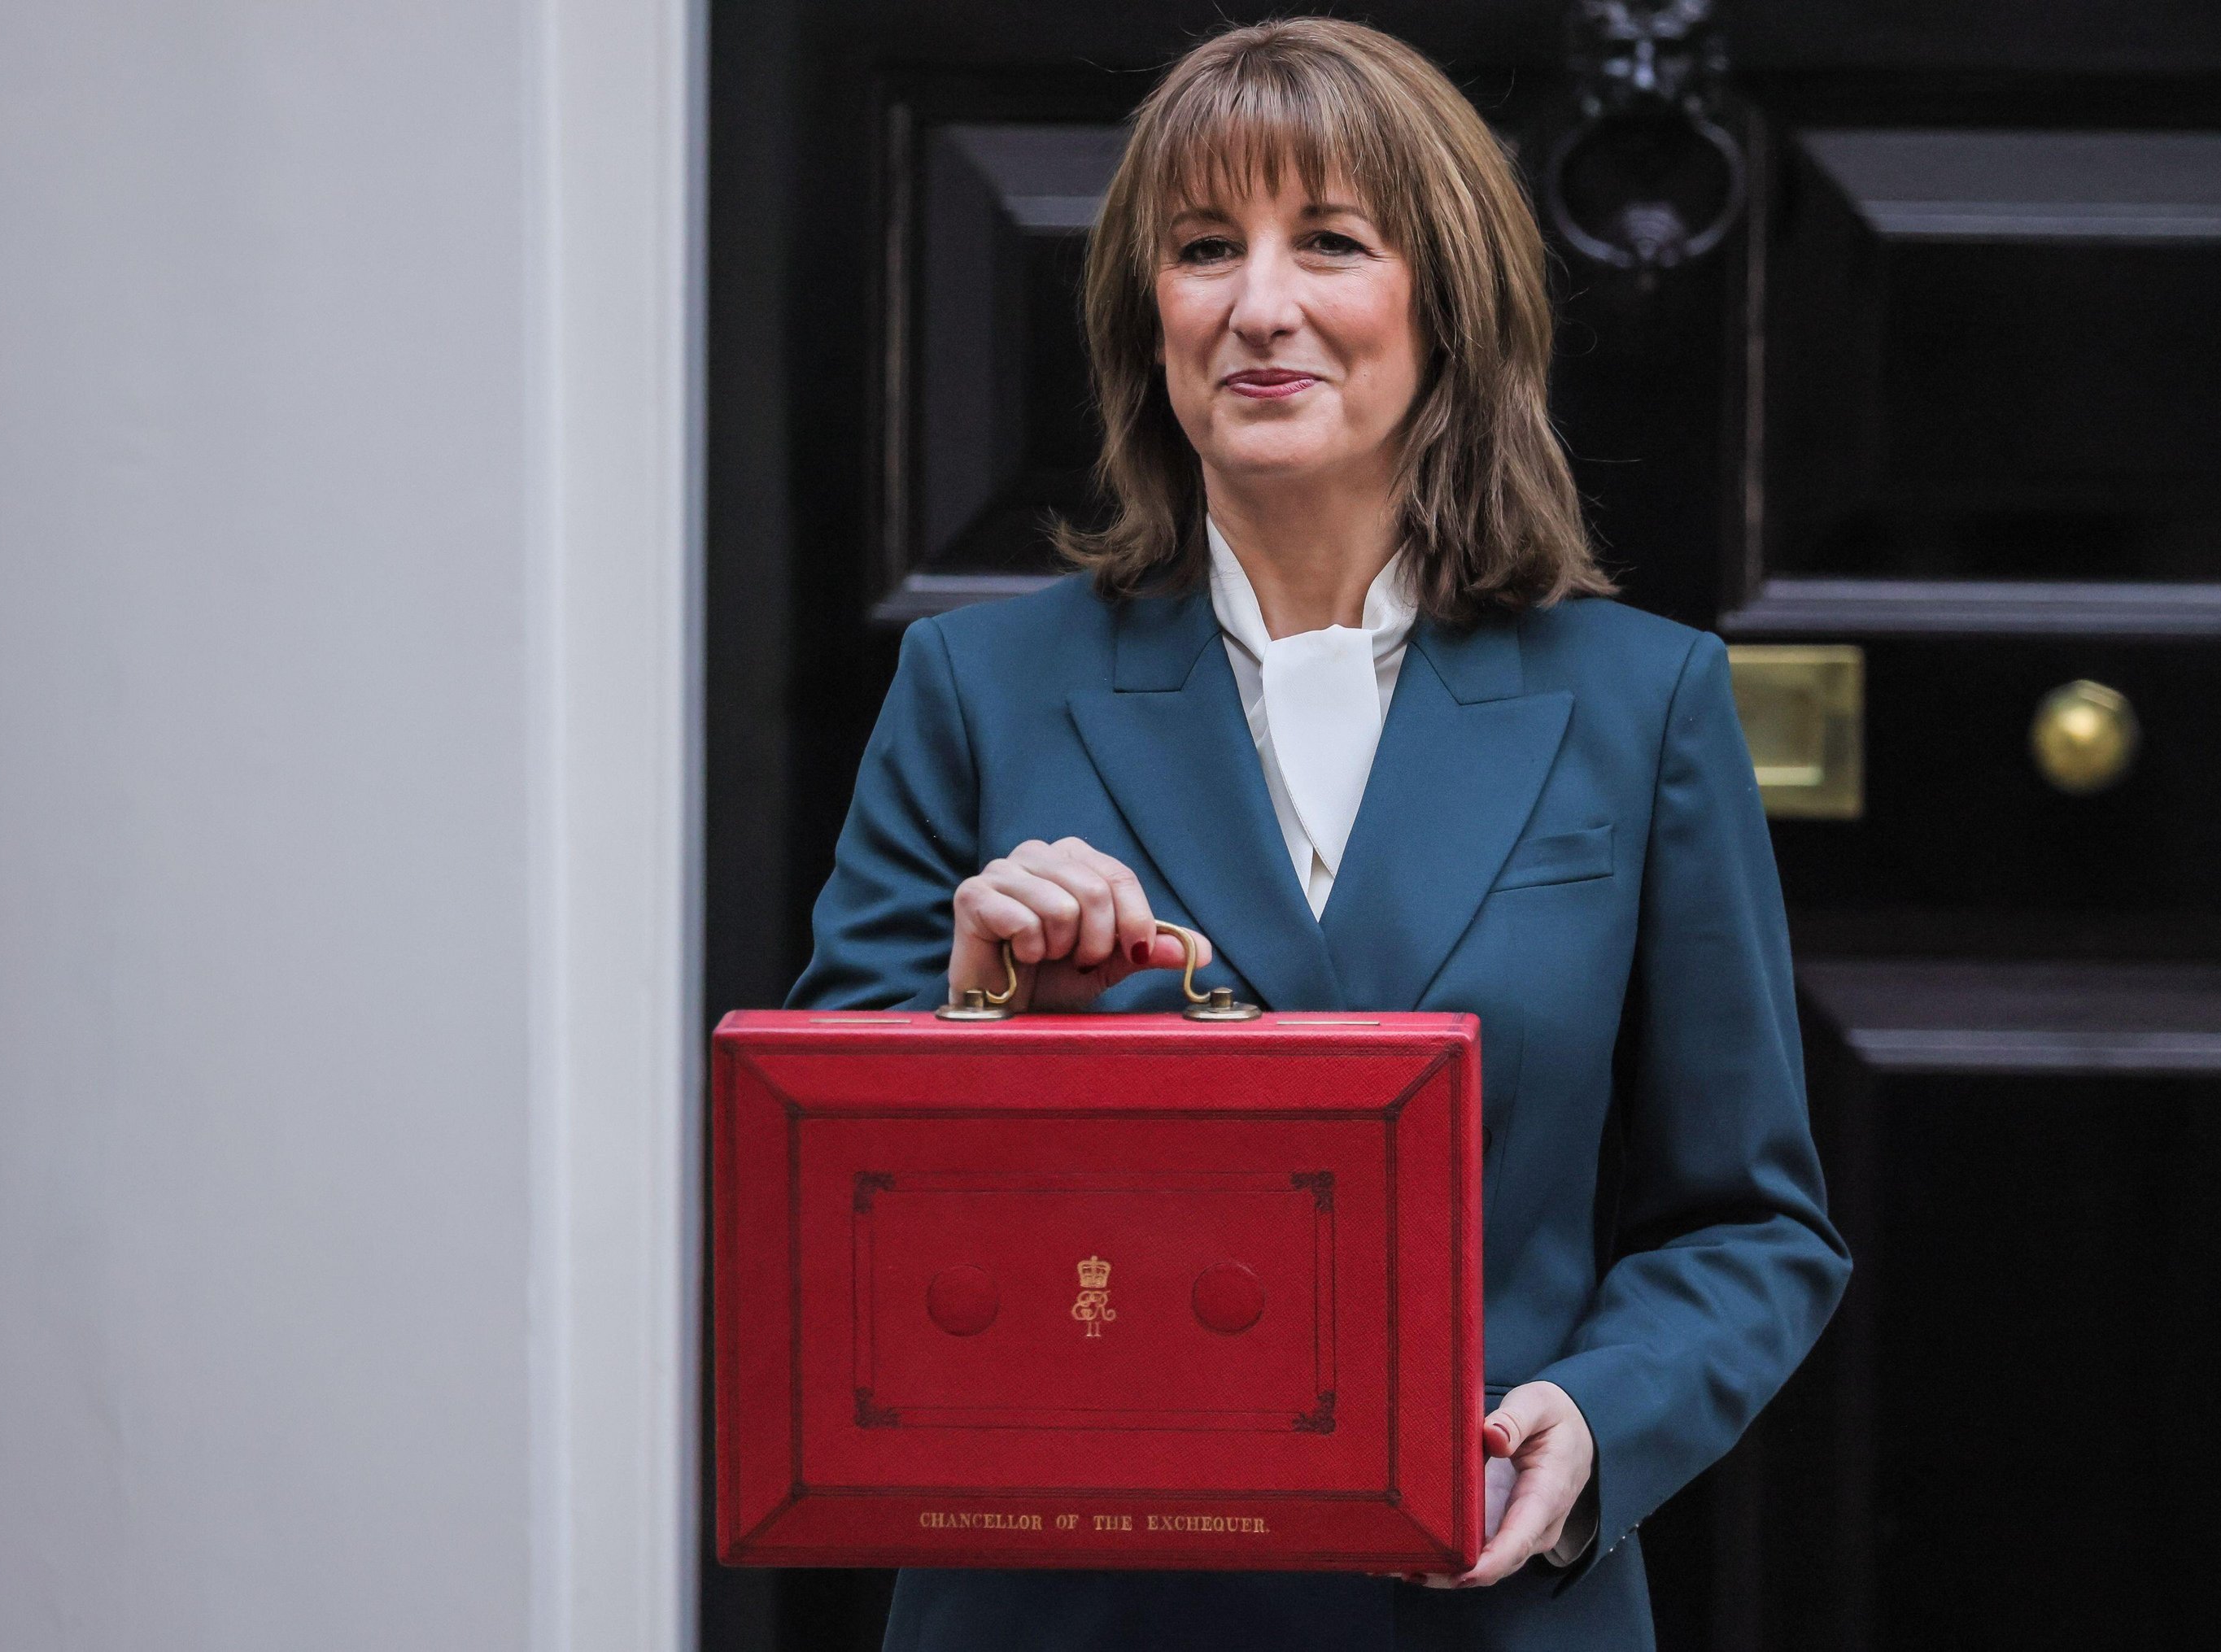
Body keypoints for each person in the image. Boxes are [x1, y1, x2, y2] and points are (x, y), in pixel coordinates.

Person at [784, 18, 1848, 1650]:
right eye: (1203, 248)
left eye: (1329, 243)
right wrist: (975, 1015)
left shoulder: (1639, 704)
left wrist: (1594, 1418)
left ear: (1448, 307)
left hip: (1477, 1604)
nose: (1256, 306)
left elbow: (1745, 1217)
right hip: (1062, 1610)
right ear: (1147, 318)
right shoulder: (975, 687)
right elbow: (819, 1222)